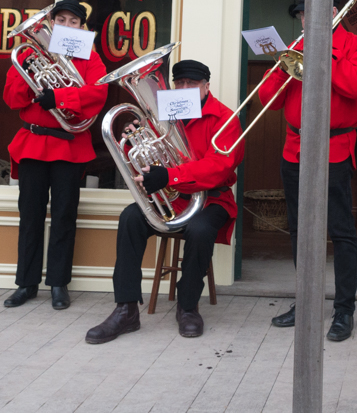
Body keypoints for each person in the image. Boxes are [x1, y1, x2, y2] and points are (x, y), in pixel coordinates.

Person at [85, 59, 243, 342]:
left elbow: (219, 167)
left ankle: (188, 305)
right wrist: (135, 146)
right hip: (172, 200)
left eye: (191, 84)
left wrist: (170, 176)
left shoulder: (225, 119)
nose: (184, 88)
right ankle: (126, 309)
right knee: (130, 218)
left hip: (212, 200)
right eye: (179, 83)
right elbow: (145, 170)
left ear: (206, 87)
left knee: (200, 229)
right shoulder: (159, 117)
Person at [260, 0, 357, 343]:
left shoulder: (355, 47)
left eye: (313, 13)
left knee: (341, 233)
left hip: (335, 148)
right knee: (299, 231)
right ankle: (306, 302)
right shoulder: (295, 46)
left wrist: (320, 55)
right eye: (303, 15)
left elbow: (354, 87)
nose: (307, 20)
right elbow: (268, 101)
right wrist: (283, 66)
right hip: (295, 149)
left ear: (334, 12)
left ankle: (344, 309)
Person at [2, 0, 108, 311]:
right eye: (59, 19)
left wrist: (58, 97)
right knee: (30, 215)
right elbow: (10, 97)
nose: (65, 25)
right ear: (51, 24)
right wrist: (33, 79)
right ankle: (26, 283)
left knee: (64, 216)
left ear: (81, 27)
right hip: (33, 143)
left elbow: (98, 92)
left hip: (69, 145)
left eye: (72, 21)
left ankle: (59, 283)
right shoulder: (29, 53)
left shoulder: (90, 56)